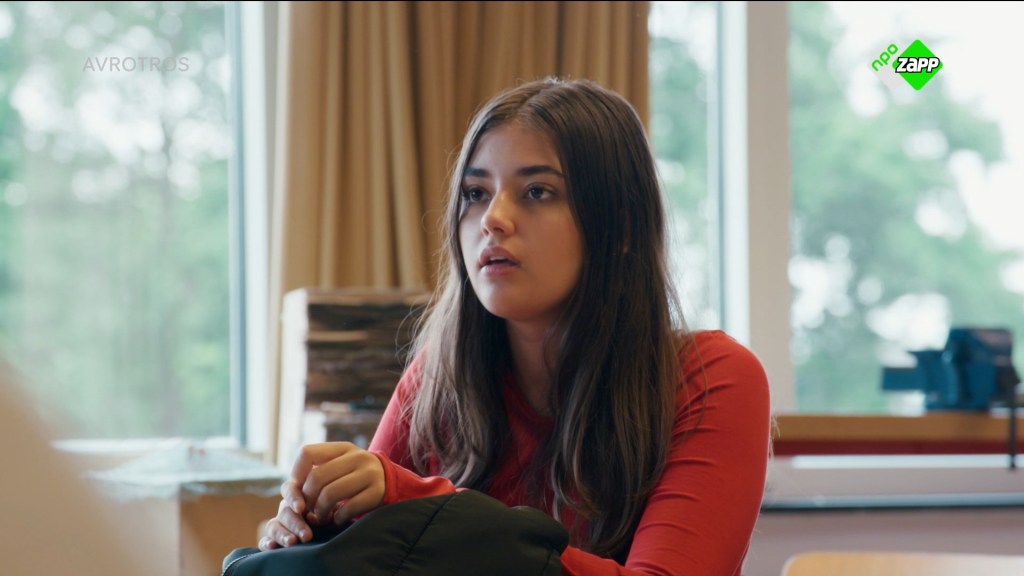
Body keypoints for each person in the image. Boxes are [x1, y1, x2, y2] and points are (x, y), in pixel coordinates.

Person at [260, 77, 772, 575]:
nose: (493, 219)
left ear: (621, 226)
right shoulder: (437, 380)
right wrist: (315, 529)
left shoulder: (712, 378)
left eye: (537, 192)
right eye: (475, 193)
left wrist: (415, 504)